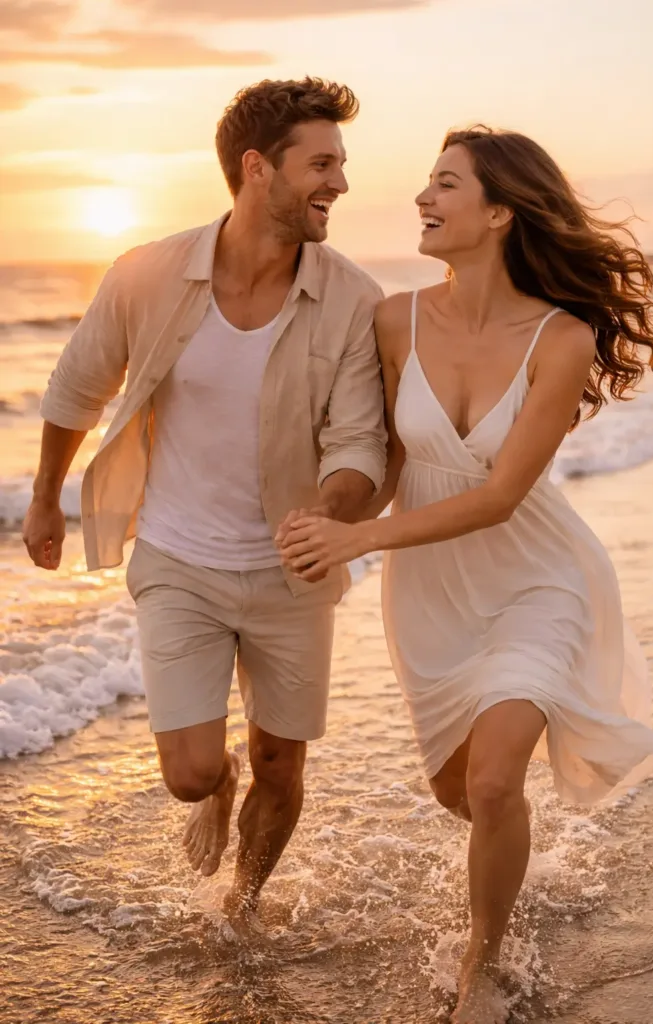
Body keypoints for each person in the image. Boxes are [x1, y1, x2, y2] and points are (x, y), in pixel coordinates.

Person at [278, 126, 653, 1022]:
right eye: (427, 181)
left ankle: (481, 966)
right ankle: (510, 851)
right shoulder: (392, 320)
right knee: (462, 791)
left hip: (539, 577)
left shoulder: (560, 338)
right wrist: (330, 521)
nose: (421, 196)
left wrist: (363, 542)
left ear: (498, 212)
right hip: (432, 596)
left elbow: (499, 495)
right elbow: (378, 458)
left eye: (444, 184)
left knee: (494, 781)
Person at [22, 77, 386, 930]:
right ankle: (213, 788)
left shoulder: (352, 299)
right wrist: (45, 500)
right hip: (179, 558)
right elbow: (76, 388)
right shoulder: (147, 273)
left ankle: (240, 911)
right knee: (189, 771)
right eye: (321, 164)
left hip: (292, 570)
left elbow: (360, 441)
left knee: (282, 764)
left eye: (339, 164)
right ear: (257, 169)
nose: (338, 183)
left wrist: (331, 510)